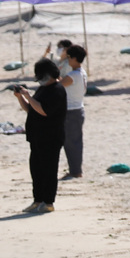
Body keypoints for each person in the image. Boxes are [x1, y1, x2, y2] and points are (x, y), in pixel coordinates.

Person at [13, 58, 67, 214]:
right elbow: (31, 109)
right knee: (36, 170)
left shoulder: (57, 89)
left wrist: (28, 96)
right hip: (37, 137)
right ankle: (38, 200)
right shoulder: (43, 89)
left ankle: (48, 202)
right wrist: (20, 97)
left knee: (49, 170)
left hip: (51, 137)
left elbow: (44, 111)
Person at [60, 44, 87, 180]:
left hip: (71, 111)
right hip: (77, 109)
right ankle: (75, 170)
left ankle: (75, 171)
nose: (68, 60)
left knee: (72, 143)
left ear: (75, 58)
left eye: (69, 58)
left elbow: (58, 85)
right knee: (74, 142)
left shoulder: (73, 75)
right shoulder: (81, 73)